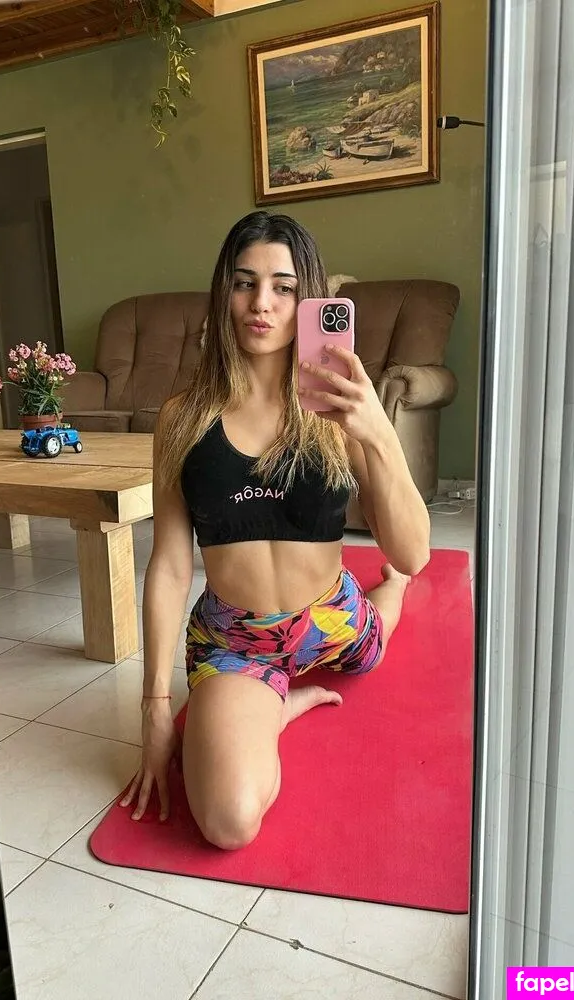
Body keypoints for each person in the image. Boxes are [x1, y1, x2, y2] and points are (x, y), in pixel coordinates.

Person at [119, 211, 430, 849]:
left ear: (307, 300)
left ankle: (384, 595)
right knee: (228, 823)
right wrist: (155, 708)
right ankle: (278, 705)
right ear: (223, 292)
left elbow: (414, 551)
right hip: (239, 642)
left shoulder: (338, 410)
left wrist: (377, 432)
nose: (261, 303)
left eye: (283, 287)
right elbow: (171, 565)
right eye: (245, 283)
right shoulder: (181, 419)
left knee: (385, 613)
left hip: (332, 614)